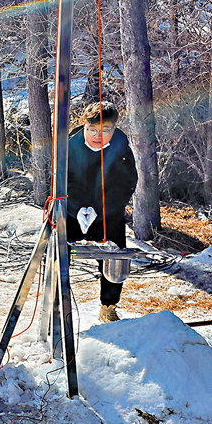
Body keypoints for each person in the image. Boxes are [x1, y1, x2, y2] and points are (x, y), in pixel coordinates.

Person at [66, 101, 138, 322]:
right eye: (92, 129)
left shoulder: (121, 147)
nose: (98, 135)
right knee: (58, 255)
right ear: (84, 125)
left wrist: (100, 210)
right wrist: (77, 209)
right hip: (71, 210)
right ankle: (58, 303)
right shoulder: (69, 145)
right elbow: (60, 180)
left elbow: (126, 184)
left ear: (114, 128)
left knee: (115, 257)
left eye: (105, 130)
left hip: (107, 212)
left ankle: (108, 306)